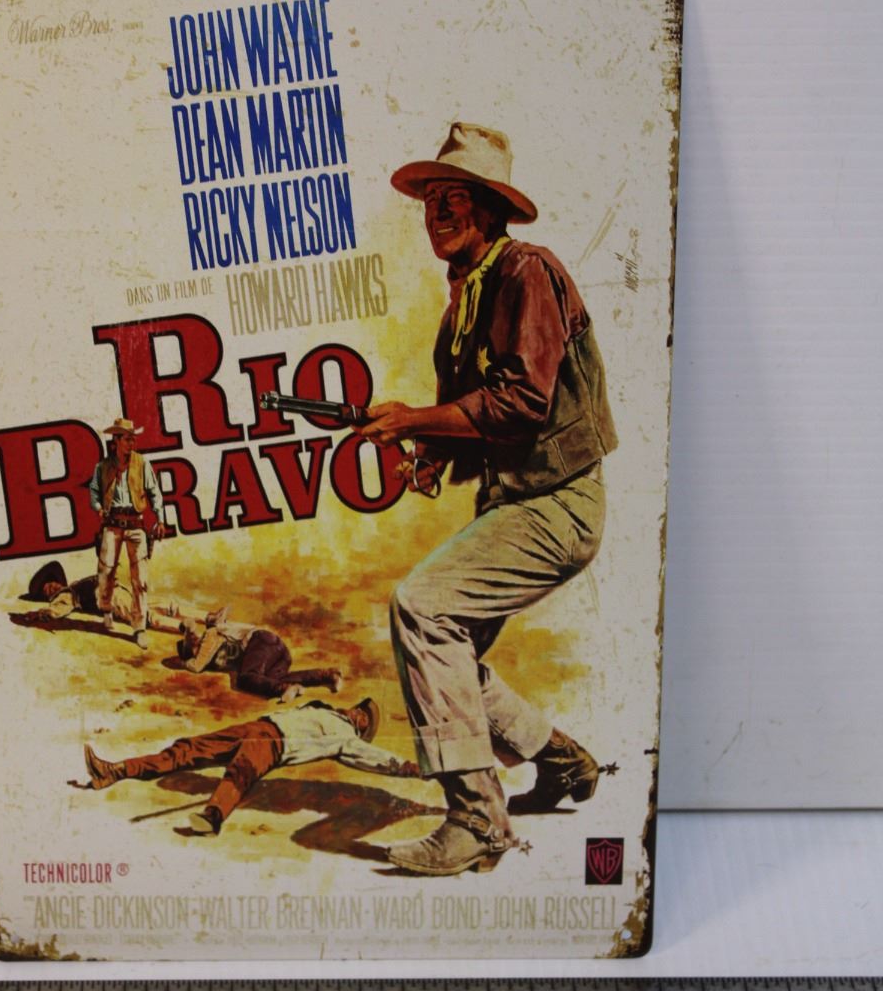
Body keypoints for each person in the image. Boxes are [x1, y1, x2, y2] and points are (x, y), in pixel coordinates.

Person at [360, 123, 617, 876]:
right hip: (514, 505)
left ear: (491, 209)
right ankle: (558, 757)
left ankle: (477, 822)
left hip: (557, 503)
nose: (439, 212)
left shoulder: (526, 272)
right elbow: (474, 423)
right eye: (431, 199)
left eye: (456, 197)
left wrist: (412, 419)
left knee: (421, 608)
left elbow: (523, 402)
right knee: (446, 655)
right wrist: (430, 456)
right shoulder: (463, 305)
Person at [75, 698, 418, 836]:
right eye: (361, 708)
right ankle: (114, 771)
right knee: (187, 750)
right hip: (256, 727)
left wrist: (404, 767)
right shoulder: (322, 709)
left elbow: (369, 757)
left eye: (364, 718)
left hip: (273, 744)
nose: (358, 713)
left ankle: (213, 818)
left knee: (241, 773)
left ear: (361, 729)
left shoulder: (346, 738)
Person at [88, 417, 168, 650]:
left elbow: (154, 493)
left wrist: (160, 519)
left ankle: (139, 627)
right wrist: (98, 508)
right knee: (106, 571)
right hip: (112, 525)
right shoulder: (103, 467)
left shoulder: (142, 463)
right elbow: (93, 491)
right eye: (127, 439)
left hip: (136, 525)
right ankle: (106, 610)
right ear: (116, 441)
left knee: (140, 579)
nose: (132, 443)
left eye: (133, 439)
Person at [173, 610, 343, 701]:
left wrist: (185, 660)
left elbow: (197, 666)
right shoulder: (218, 647)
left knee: (246, 678)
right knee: (274, 679)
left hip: (261, 642)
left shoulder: (210, 635)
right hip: (277, 651)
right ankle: (327, 675)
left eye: (194, 651)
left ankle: (284, 689)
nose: (197, 653)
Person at [12, 559, 186, 636]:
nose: (54, 587)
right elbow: (59, 609)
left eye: (52, 584)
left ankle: (198, 619)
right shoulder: (65, 596)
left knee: (162, 608)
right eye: (49, 590)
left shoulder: (73, 586)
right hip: (112, 598)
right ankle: (186, 628)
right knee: (147, 615)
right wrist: (42, 614)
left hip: (118, 592)